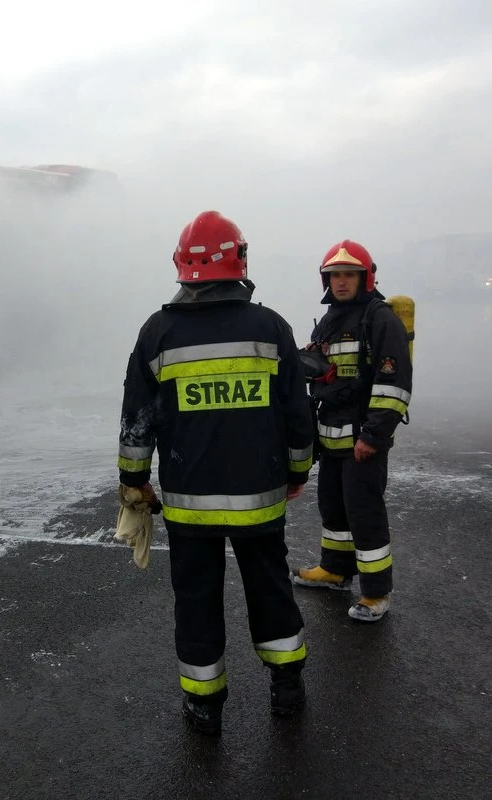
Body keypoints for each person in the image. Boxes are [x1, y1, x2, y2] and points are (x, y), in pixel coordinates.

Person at [117, 210, 316, 736]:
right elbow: (297, 414)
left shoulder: (158, 332)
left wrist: (134, 480)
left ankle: (204, 706)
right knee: (270, 587)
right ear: (240, 261)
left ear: (181, 265)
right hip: (260, 497)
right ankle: (287, 687)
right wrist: (298, 470)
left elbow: (137, 418)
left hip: (189, 503)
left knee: (196, 600)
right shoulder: (271, 328)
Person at [290, 240, 412, 623]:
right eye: (335, 275)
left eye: (349, 275)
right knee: (333, 506)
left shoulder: (380, 319)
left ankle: (376, 593)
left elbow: (394, 385)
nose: (341, 282)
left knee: (365, 514)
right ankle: (335, 569)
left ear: (365, 278)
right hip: (331, 438)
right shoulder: (330, 320)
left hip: (363, 438)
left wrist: (373, 436)